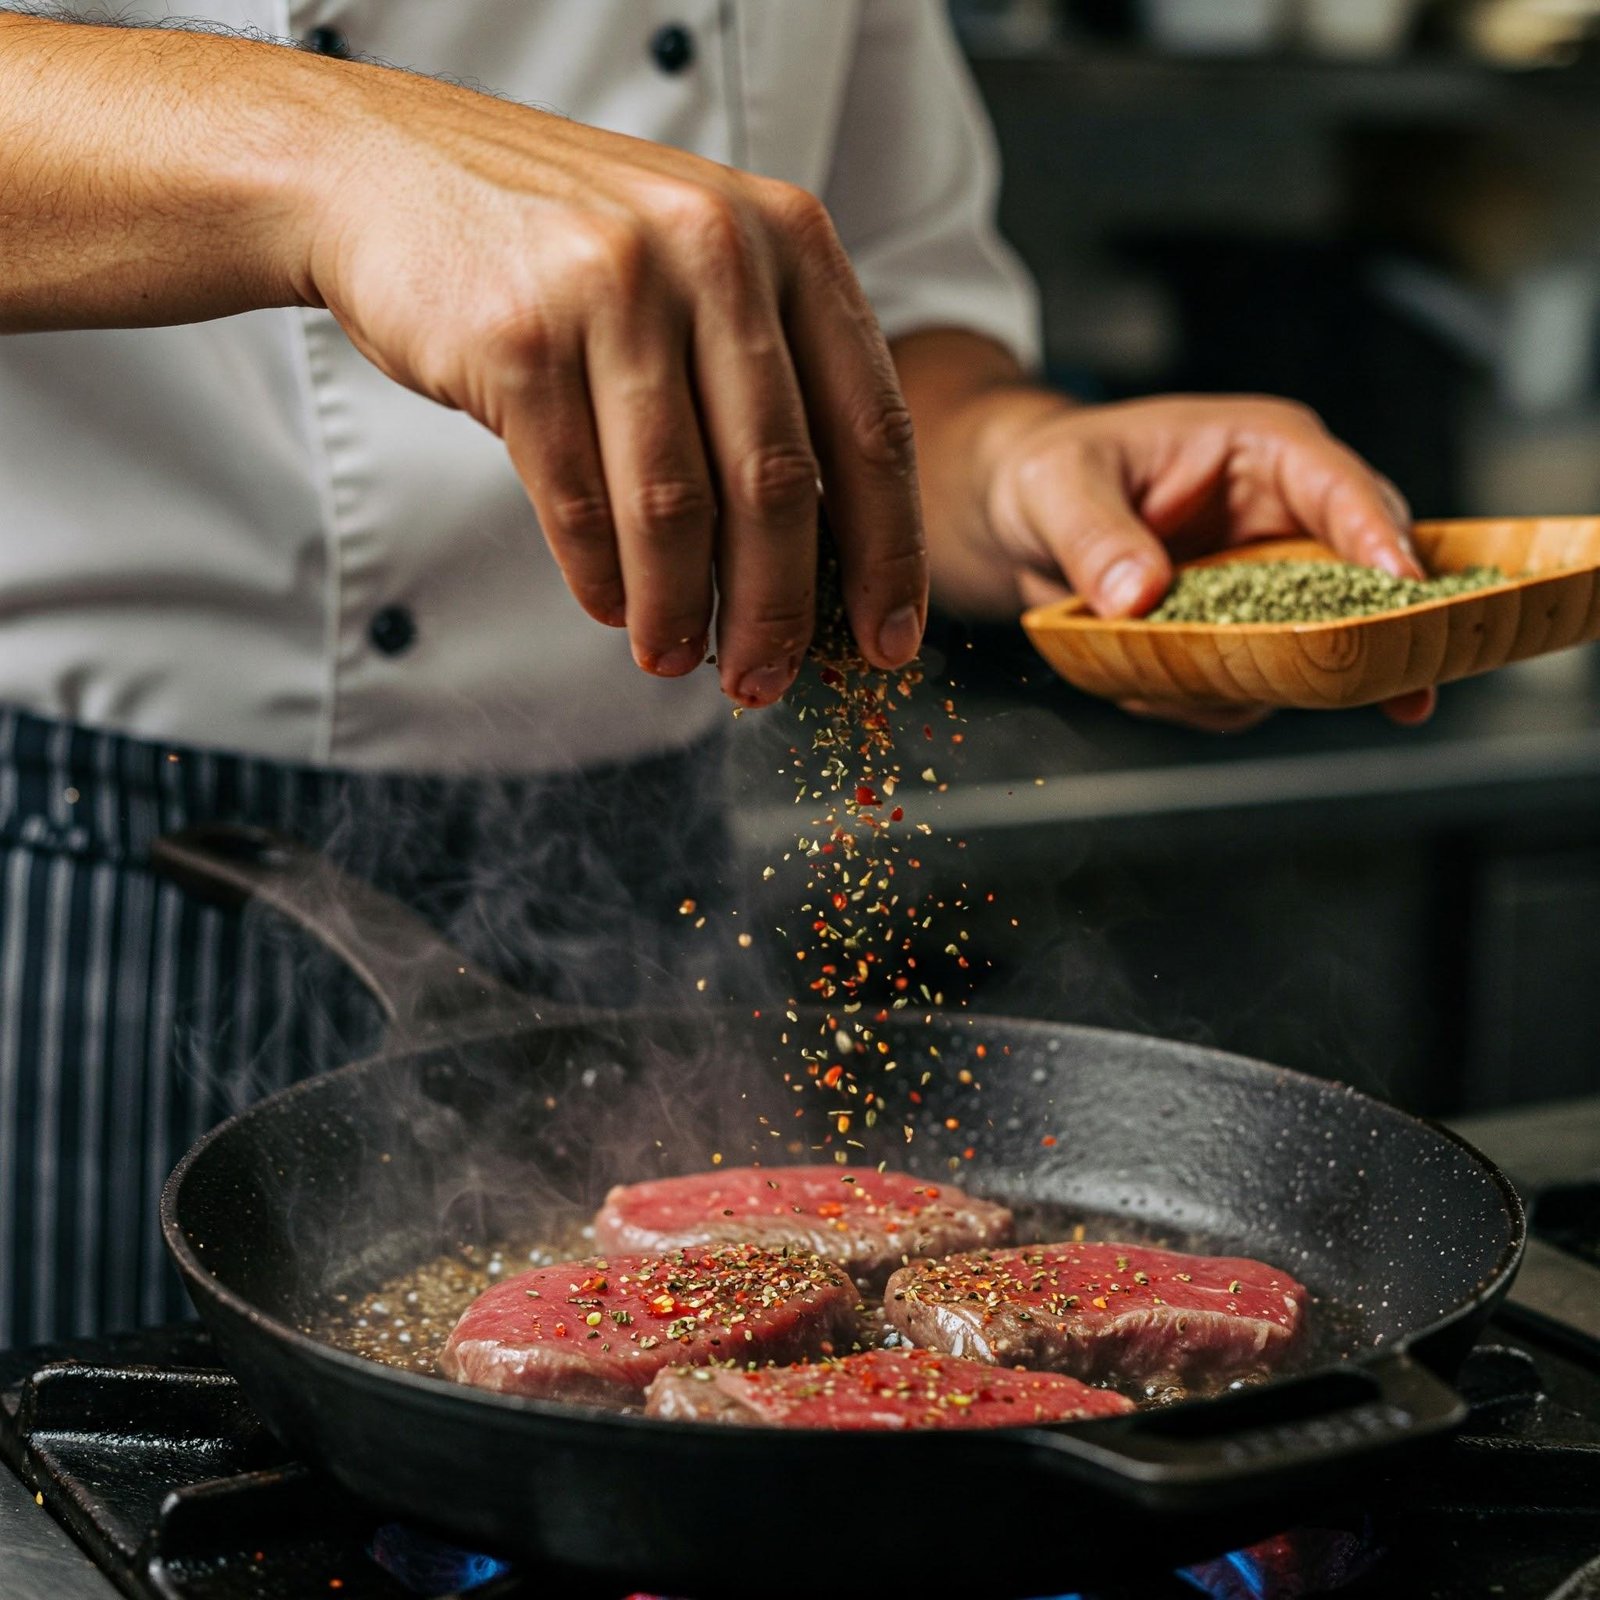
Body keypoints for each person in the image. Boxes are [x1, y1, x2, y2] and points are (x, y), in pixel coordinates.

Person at [0, 1, 1425, 1348]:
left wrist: (1005, 465)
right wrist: (332, 158)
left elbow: (870, 320)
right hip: (108, 861)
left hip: (649, 855)